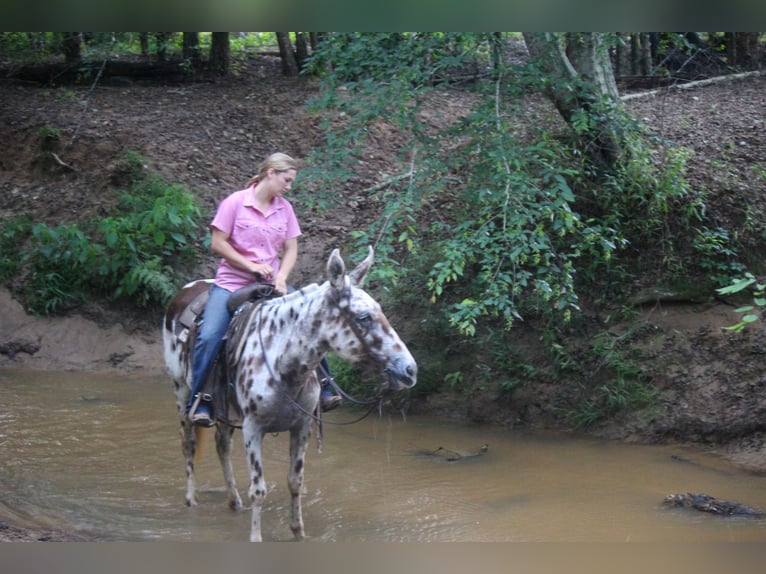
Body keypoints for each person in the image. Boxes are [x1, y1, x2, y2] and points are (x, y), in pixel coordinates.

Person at [187, 152, 341, 426]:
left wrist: (282, 276)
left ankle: (327, 387)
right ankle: (200, 399)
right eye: (287, 179)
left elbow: (292, 248)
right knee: (210, 335)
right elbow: (218, 243)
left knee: (310, 319)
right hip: (232, 283)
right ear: (270, 172)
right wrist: (251, 266)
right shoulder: (235, 203)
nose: (289, 186)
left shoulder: (285, 208)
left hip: (271, 285)